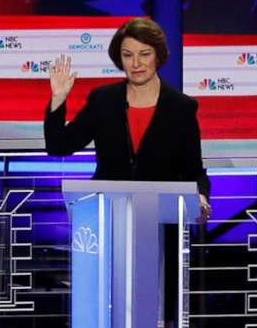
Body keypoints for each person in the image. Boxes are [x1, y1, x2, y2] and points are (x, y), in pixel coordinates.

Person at [44, 16, 210, 204]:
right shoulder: (103, 100)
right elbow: (58, 145)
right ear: (119, 59)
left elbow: (195, 172)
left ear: (158, 56)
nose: (136, 63)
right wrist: (58, 97)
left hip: (161, 219)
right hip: (107, 214)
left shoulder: (181, 108)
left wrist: (202, 197)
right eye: (128, 55)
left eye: (145, 54)